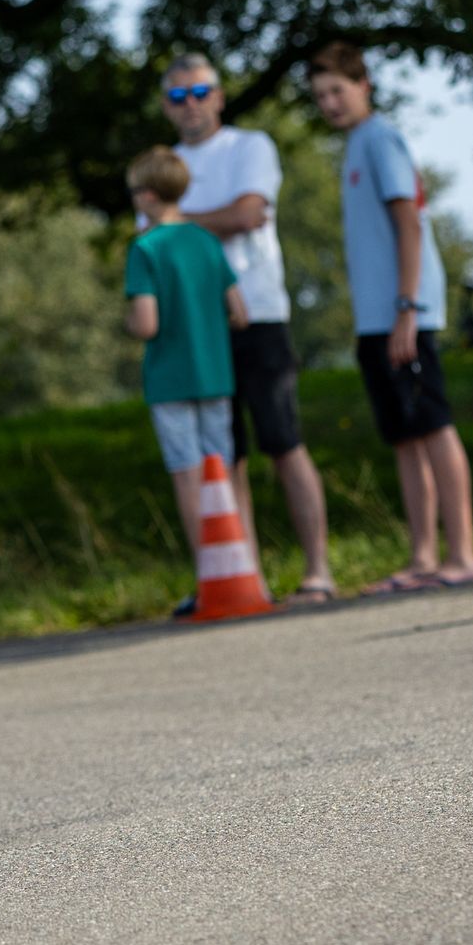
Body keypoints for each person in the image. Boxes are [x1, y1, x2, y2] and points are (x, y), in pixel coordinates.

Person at [158, 53, 335, 610]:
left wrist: (180, 222)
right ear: (167, 106)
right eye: (179, 96)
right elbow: (164, 244)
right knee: (222, 456)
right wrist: (207, 221)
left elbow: (249, 213)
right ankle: (242, 578)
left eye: (200, 92)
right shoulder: (164, 165)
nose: (191, 105)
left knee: (284, 441)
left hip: (257, 314)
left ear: (219, 95)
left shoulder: (249, 147)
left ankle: (319, 572)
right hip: (198, 327)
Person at [306, 41, 473, 593]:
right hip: (375, 320)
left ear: (365, 86)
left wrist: (408, 308)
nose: (330, 103)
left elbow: (409, 222)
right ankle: (423, 558)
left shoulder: (381, 139)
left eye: (338, 90)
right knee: (405, 436)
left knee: (433, 425)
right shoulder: (355, 145)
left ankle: (464, 555)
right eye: (320, 96)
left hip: (404, 312)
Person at [123, 147, 250, 595]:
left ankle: (209, 577)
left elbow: (146, 323)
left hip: (170, 379)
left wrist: (128, 321)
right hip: (215, 374)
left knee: (188, 474)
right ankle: (242, 570)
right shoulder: (205, 241)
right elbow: (240, 312)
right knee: (223, 470)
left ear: (149, 195)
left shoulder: (145, 248)